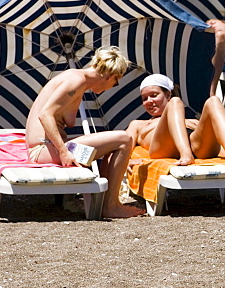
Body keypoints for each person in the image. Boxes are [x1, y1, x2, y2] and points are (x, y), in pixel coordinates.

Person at [25, 46, 143, 218]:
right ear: (110, 75)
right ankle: (111, 206)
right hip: (42, 149)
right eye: (116, 82)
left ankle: (104, 201)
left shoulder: (77, 80)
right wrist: (64, 152)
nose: (113, 86)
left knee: (114, 142)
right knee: (124, 138)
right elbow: (45, 115)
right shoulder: (76, 81)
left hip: (45, 147)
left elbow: (65, 119)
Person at [127, 74, 225, 166]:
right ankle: (185, 154)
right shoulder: (138, 124)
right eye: (144, 98)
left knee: (213, 101)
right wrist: (127, 162)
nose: (149, 101)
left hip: (197, 146)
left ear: (168, 94)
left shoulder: (190, 120)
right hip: (163, 149)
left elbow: (216, 142)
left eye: (154, 95)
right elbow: (122, 146)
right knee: (176, 102)